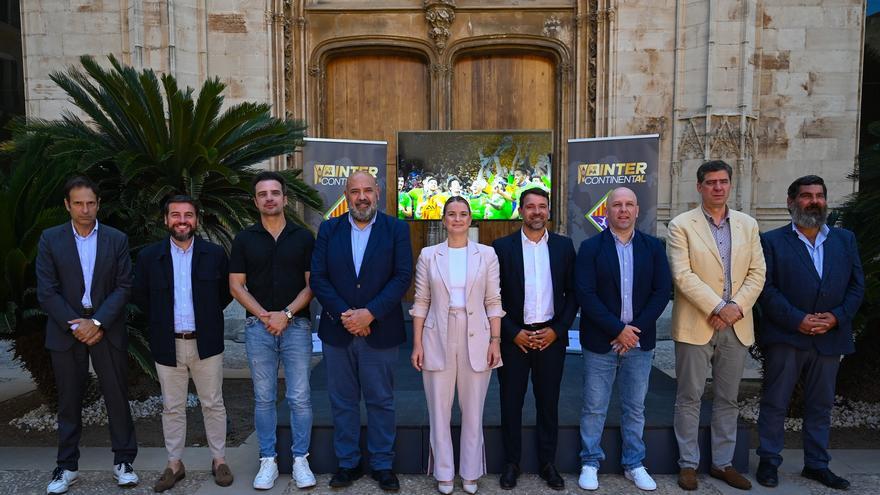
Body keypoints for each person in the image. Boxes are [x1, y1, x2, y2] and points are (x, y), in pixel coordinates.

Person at [755, 175, 864, 490]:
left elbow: (857, 286)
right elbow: (766, 289)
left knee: (821, 404)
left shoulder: (845, 240)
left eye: (819, 195)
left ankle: (816, 465)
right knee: (776, 401)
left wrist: (836, 317)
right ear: (791, 202)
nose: (814, 201)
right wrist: (798, 319)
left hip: (830, 336)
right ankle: (769, 462)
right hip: (787, 336)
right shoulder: (772, 241)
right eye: (806, 196)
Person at [310, 170, 413, 491]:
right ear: (347, 194)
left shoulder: (395, 228)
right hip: (339, 331)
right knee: (342, 401)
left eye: (367, 190)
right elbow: (319, 277)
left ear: (378, 193)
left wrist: (370, 314)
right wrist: (347, 315)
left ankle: (383, 464)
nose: (362, 197)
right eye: (355, 191)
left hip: (379, 331)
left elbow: (402, 275)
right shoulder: (329, 229)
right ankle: (348, 464)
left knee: (381, 400)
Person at [667, 160, 766, 491]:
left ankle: (723, 463)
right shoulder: (681, 225)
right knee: (689, 396)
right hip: (697, 323)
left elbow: (757, 273)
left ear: (730, 184)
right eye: (711, 182)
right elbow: (683, 275)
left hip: (736, 325)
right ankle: (688, 464)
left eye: (723, 181)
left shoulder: (748, 225)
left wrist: (735, 308)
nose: (718, 187)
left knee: (728, 397)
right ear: (699, 187)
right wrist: (718, 306)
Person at [37, 176, 139, 494]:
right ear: (67, 205)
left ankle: (124, 462)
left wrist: (96, 323)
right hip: (66, 331)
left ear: (98, 204)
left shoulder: (116, 239)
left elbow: (124, 286)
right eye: (78, 203)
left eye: (90, 203)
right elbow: (46, 290)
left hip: (106, 330)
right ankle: (66, 467)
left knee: (117, 398)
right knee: (68, 402)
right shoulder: (50, 239)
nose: (85, 209)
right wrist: (76, 324)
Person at [132, 195, 234, 491]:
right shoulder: (151, 256)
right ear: (165, 220)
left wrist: (207, 317)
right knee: (172, 407)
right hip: (168, 342)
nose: (182, 220)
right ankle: (174, 464)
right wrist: (162, 321)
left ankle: (219, 460)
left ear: (196, 220)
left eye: (188, 215)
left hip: (206, 342)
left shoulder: (214, 254)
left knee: (213, 403)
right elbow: (141, 296)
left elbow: (224, 295)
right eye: (175, 215)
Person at [574, 187, 672, 491]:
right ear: (607, 211)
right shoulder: (590, 248)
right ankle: (590, 462)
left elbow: (661, 292)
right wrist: (617, 330)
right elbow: (585, 294)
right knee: (594, 405)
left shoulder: (654, 247)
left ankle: (634, 464)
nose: (623, 210)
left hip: (639, 343)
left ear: (637, 210)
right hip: (601, 341)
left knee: (635, 407)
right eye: (617, 205)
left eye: (629, 204)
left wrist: (633, 331)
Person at [410, 196, 505, 495]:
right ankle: (444, 473)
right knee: (438, 409)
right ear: (443, 219)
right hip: (436, 333)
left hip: (477, 333)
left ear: (470, 218)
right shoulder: (428, 255)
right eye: (452, 214)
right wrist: (417, 344)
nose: (458, 219)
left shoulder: (487, 255)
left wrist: (496, 341)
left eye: (463, 213)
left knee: (473, 409)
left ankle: (471, 471)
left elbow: (493, 301)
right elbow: (421, 301)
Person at [229, 171, 317, 490]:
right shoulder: (244, 239)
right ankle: (267, 460)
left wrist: (287, 314)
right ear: (256, 201)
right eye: (263, 194)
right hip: (258, 327)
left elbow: (313, 285)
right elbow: (236, 286)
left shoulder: (304, 237)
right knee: (263, 398)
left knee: (300, 397)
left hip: (297, 326)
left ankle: (300, 460)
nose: (269, 198)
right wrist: (266, 315)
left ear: (285, 198)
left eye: (275, 193)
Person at [492, 188, 578, 491]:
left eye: (542, 207)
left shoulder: (564, 247)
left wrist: (558, 330)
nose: (537, 212)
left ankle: (547, 463)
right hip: (514, 337)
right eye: (531, 207)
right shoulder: (501, 248)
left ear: (549, 211)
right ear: (521, 211)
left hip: (551, 337)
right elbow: (491, 296)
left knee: (548, 404)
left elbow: (573, 294)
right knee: (510, 403)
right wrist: (512, 332)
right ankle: (511, 463)